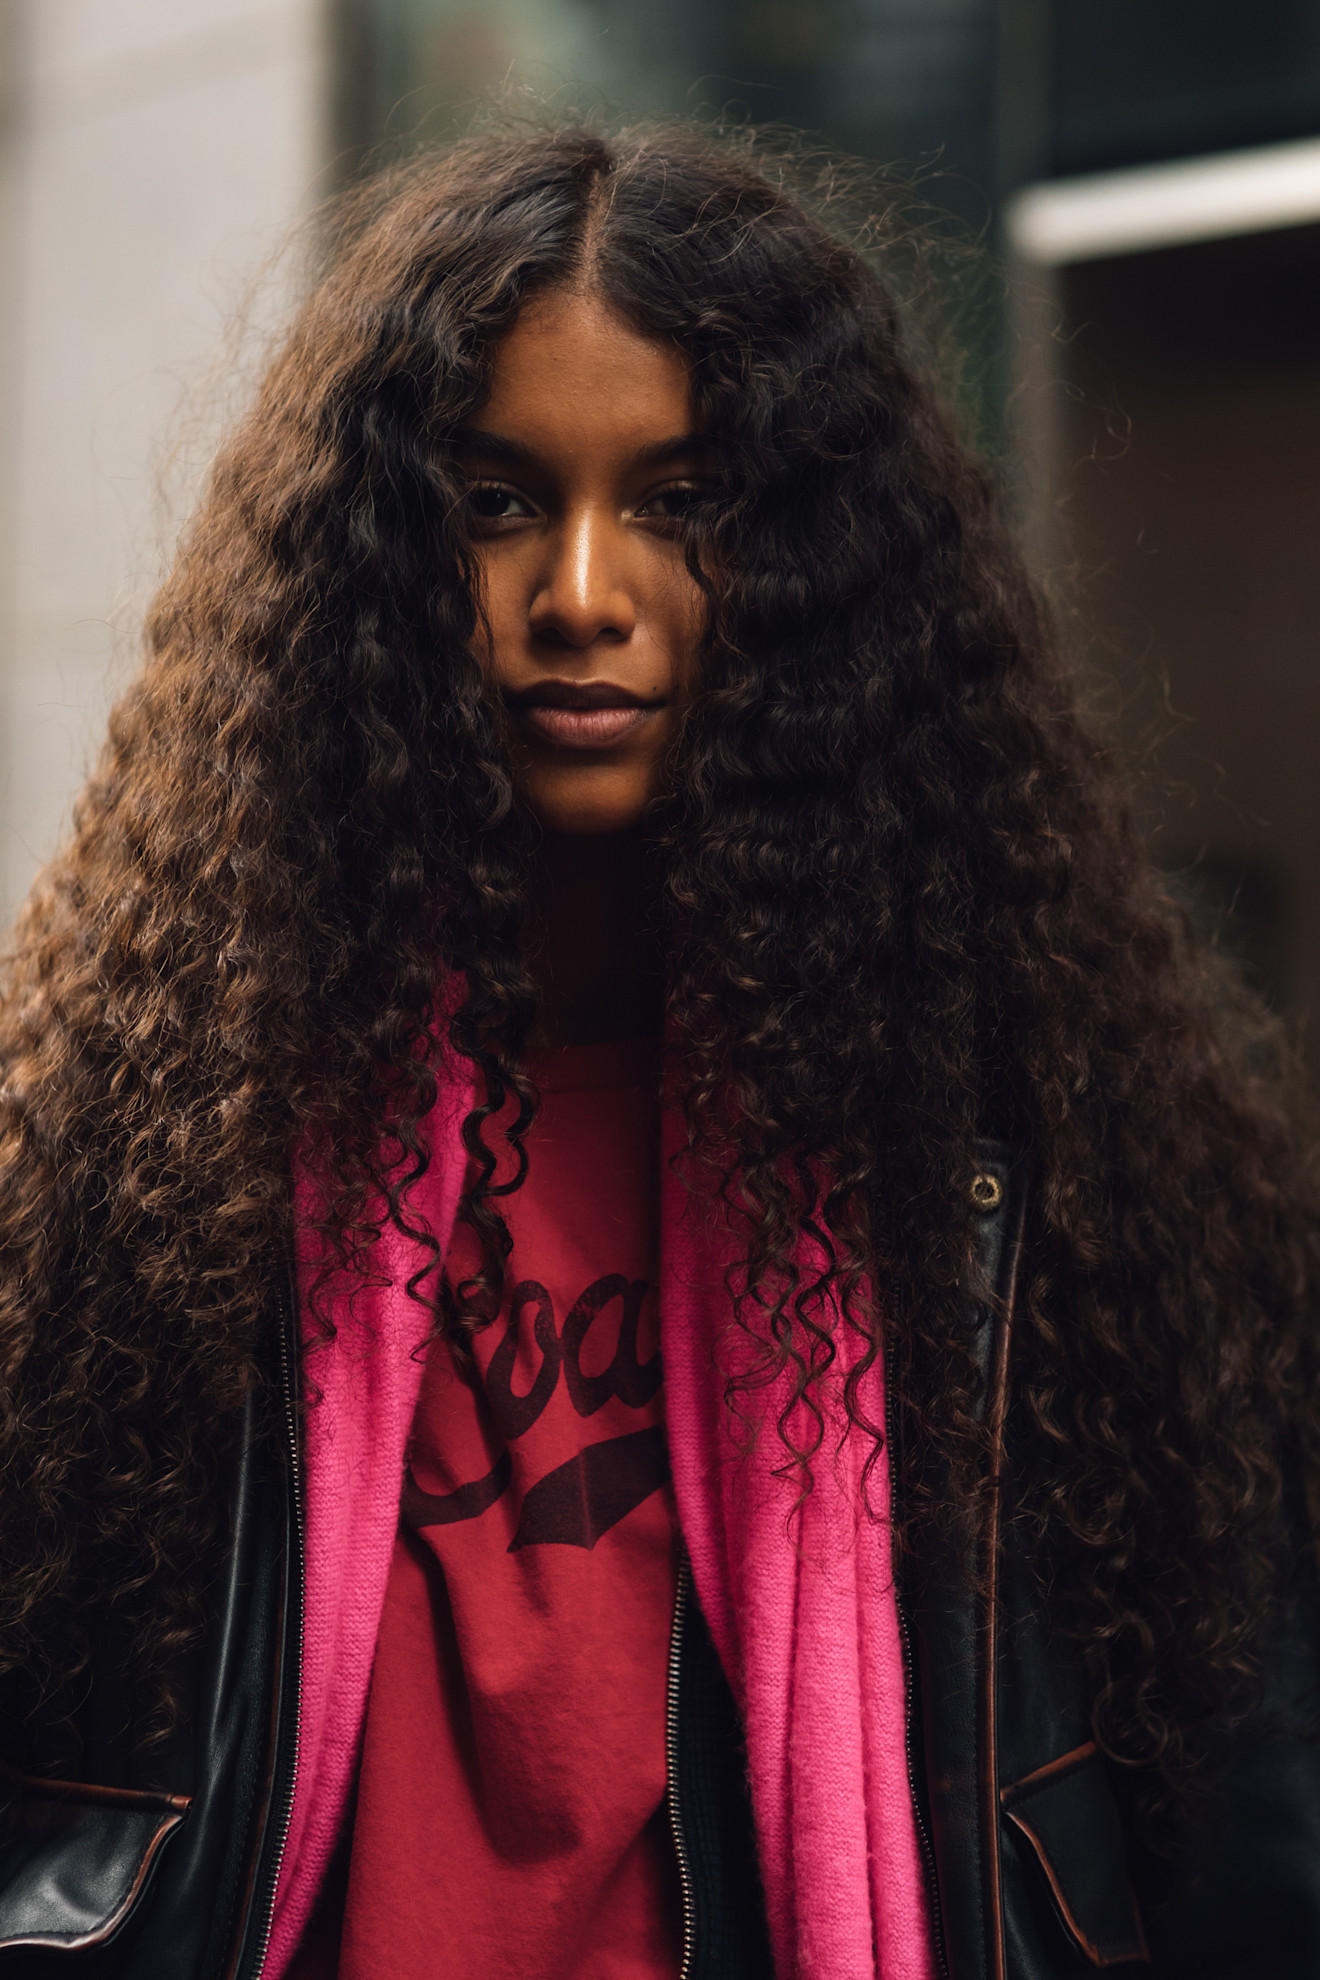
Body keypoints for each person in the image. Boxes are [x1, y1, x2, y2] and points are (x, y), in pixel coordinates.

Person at [0, 123, 1317, 1980]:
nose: (586, 592)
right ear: (374, 560)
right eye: (496, 501)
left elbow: (1249, 1856)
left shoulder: (1043, 1184)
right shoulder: (149, 1164)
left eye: (687, 505)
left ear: (821, 577)